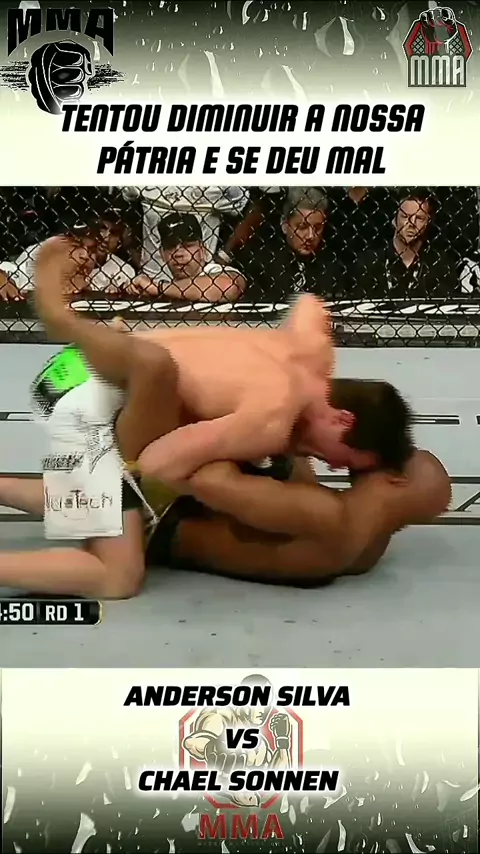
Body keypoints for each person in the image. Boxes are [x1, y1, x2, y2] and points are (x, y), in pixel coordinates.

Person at [0, 378, 450, 596]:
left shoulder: (327, 514)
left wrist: (252, 435)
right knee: (106, 497)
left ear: (395, 478)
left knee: (119, 573)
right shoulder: (366, 551)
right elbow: (287, 502)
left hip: (158, 511)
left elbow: (207, 479)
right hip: (164, 521)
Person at [32, 226, 355, 501]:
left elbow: (309, 303)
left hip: (78, 364)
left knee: (231, 444)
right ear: (343, 418)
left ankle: (33, 492)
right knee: (152, 500)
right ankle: (61, 319)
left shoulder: (314, 351)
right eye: (348, 461)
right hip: (76, 390)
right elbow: (154, 468)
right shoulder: (272, 419)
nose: (336, 467)